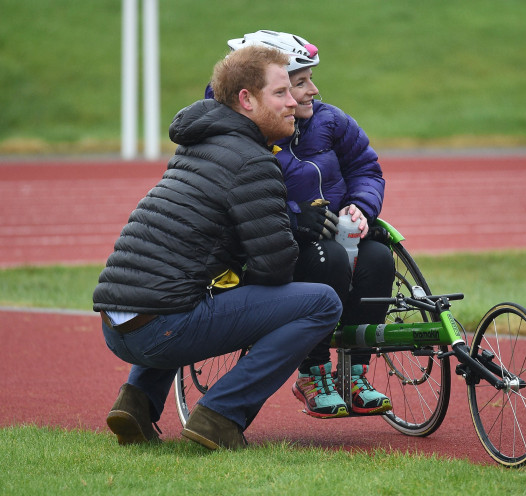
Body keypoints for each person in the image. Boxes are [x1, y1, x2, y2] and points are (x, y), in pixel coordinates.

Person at [93, 45, 342, 450]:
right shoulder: (254, 161)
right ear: (246, 99)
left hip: (116, 324)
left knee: (195, 291)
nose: (294, 101)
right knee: (322, 303)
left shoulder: (200, 144)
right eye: (280, 93)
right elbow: (276, 268)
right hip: (158, 331)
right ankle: (220, 415)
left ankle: (136, 401)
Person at [206, 30, 395, 419]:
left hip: (339, 232)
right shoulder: (239, 137)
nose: (310, 91)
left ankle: (353, 372)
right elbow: (242, 203)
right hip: (277, 248)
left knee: (379, 258)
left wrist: (361, 208)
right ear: (258, 94)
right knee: (328, 261)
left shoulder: (331, 121)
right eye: (298, 83)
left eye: (308, 81)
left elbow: (365, 168)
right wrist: (295, 218)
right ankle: (313, 372)